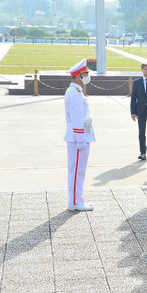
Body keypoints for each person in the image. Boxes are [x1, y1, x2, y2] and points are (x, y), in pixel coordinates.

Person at [64, 60, 95, 211]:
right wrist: (81, 140)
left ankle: (75, 200)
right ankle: (76, 202)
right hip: (78, 139)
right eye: (85, 74)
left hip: (76, 137)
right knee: (77, 171)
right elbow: (76, 120)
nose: (87, 77)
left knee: (76, 170)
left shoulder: (75, 91)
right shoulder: (75, 93)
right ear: (78, 77)